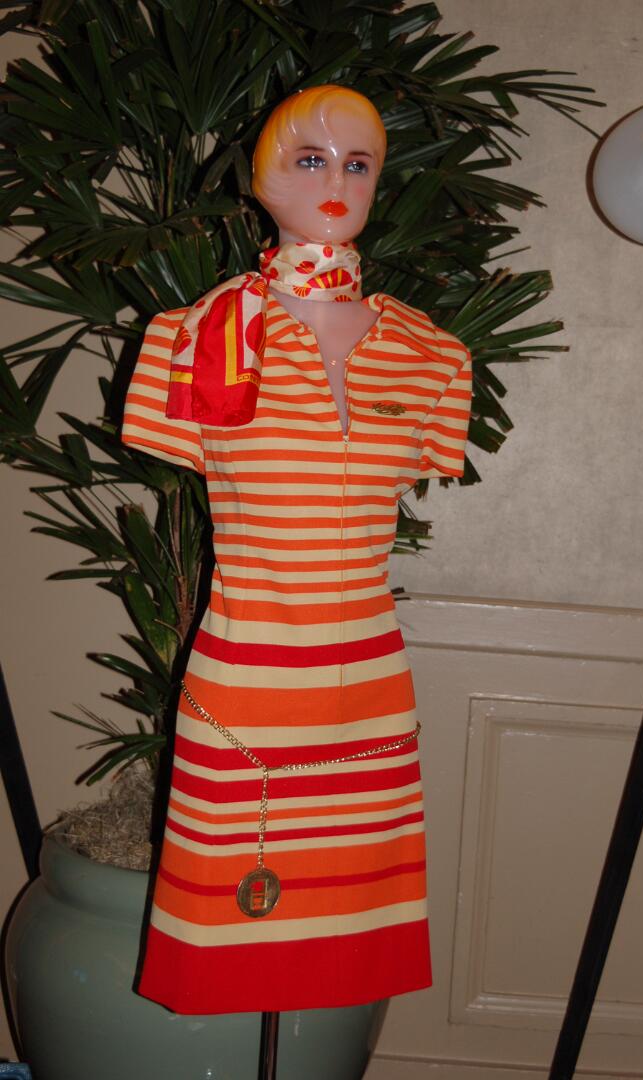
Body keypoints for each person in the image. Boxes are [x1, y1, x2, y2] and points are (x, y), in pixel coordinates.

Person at [121, 84, 473, 1014]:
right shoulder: (193, 337)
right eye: (310, 159)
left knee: (343, 944)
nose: (336, 184)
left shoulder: (433, 357)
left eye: (358, 164)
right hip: (244, 683)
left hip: (367, 691)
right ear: (259, 178)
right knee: (228, 934)